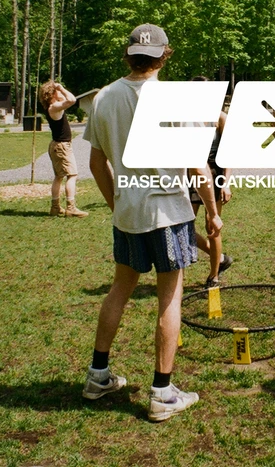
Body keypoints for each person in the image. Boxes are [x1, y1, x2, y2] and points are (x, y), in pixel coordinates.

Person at [83, 23, 223, 422]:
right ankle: (162, 392)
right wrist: (212, 212)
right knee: (170, 298)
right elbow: (197, 164)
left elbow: (96, 162)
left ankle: (98, 375)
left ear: (129, 54)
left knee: (119, 289)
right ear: (165, 54)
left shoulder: (104, 96)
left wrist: (117, 203)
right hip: (168, 213)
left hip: (129, 212)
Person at [189, 76, 233, 289]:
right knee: (184, 224)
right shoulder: (184, 118)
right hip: (189, 174)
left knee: (211, 226)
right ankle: (221, 258)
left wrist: (225, 183)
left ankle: (214, 276)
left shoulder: (220, 118)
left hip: (214, 175)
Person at [39, 80, 88, 218]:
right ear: (52, 94)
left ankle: (55, 207)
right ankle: (71, 208)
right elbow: (72, 100)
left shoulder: (53, 107)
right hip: (62, 146)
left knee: (59, 176)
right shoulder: (54, 107)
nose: (61, 92)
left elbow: (68, 100)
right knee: (72, 175)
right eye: (58, 91)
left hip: (56, 145)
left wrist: (59, 91)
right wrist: (60, 87)